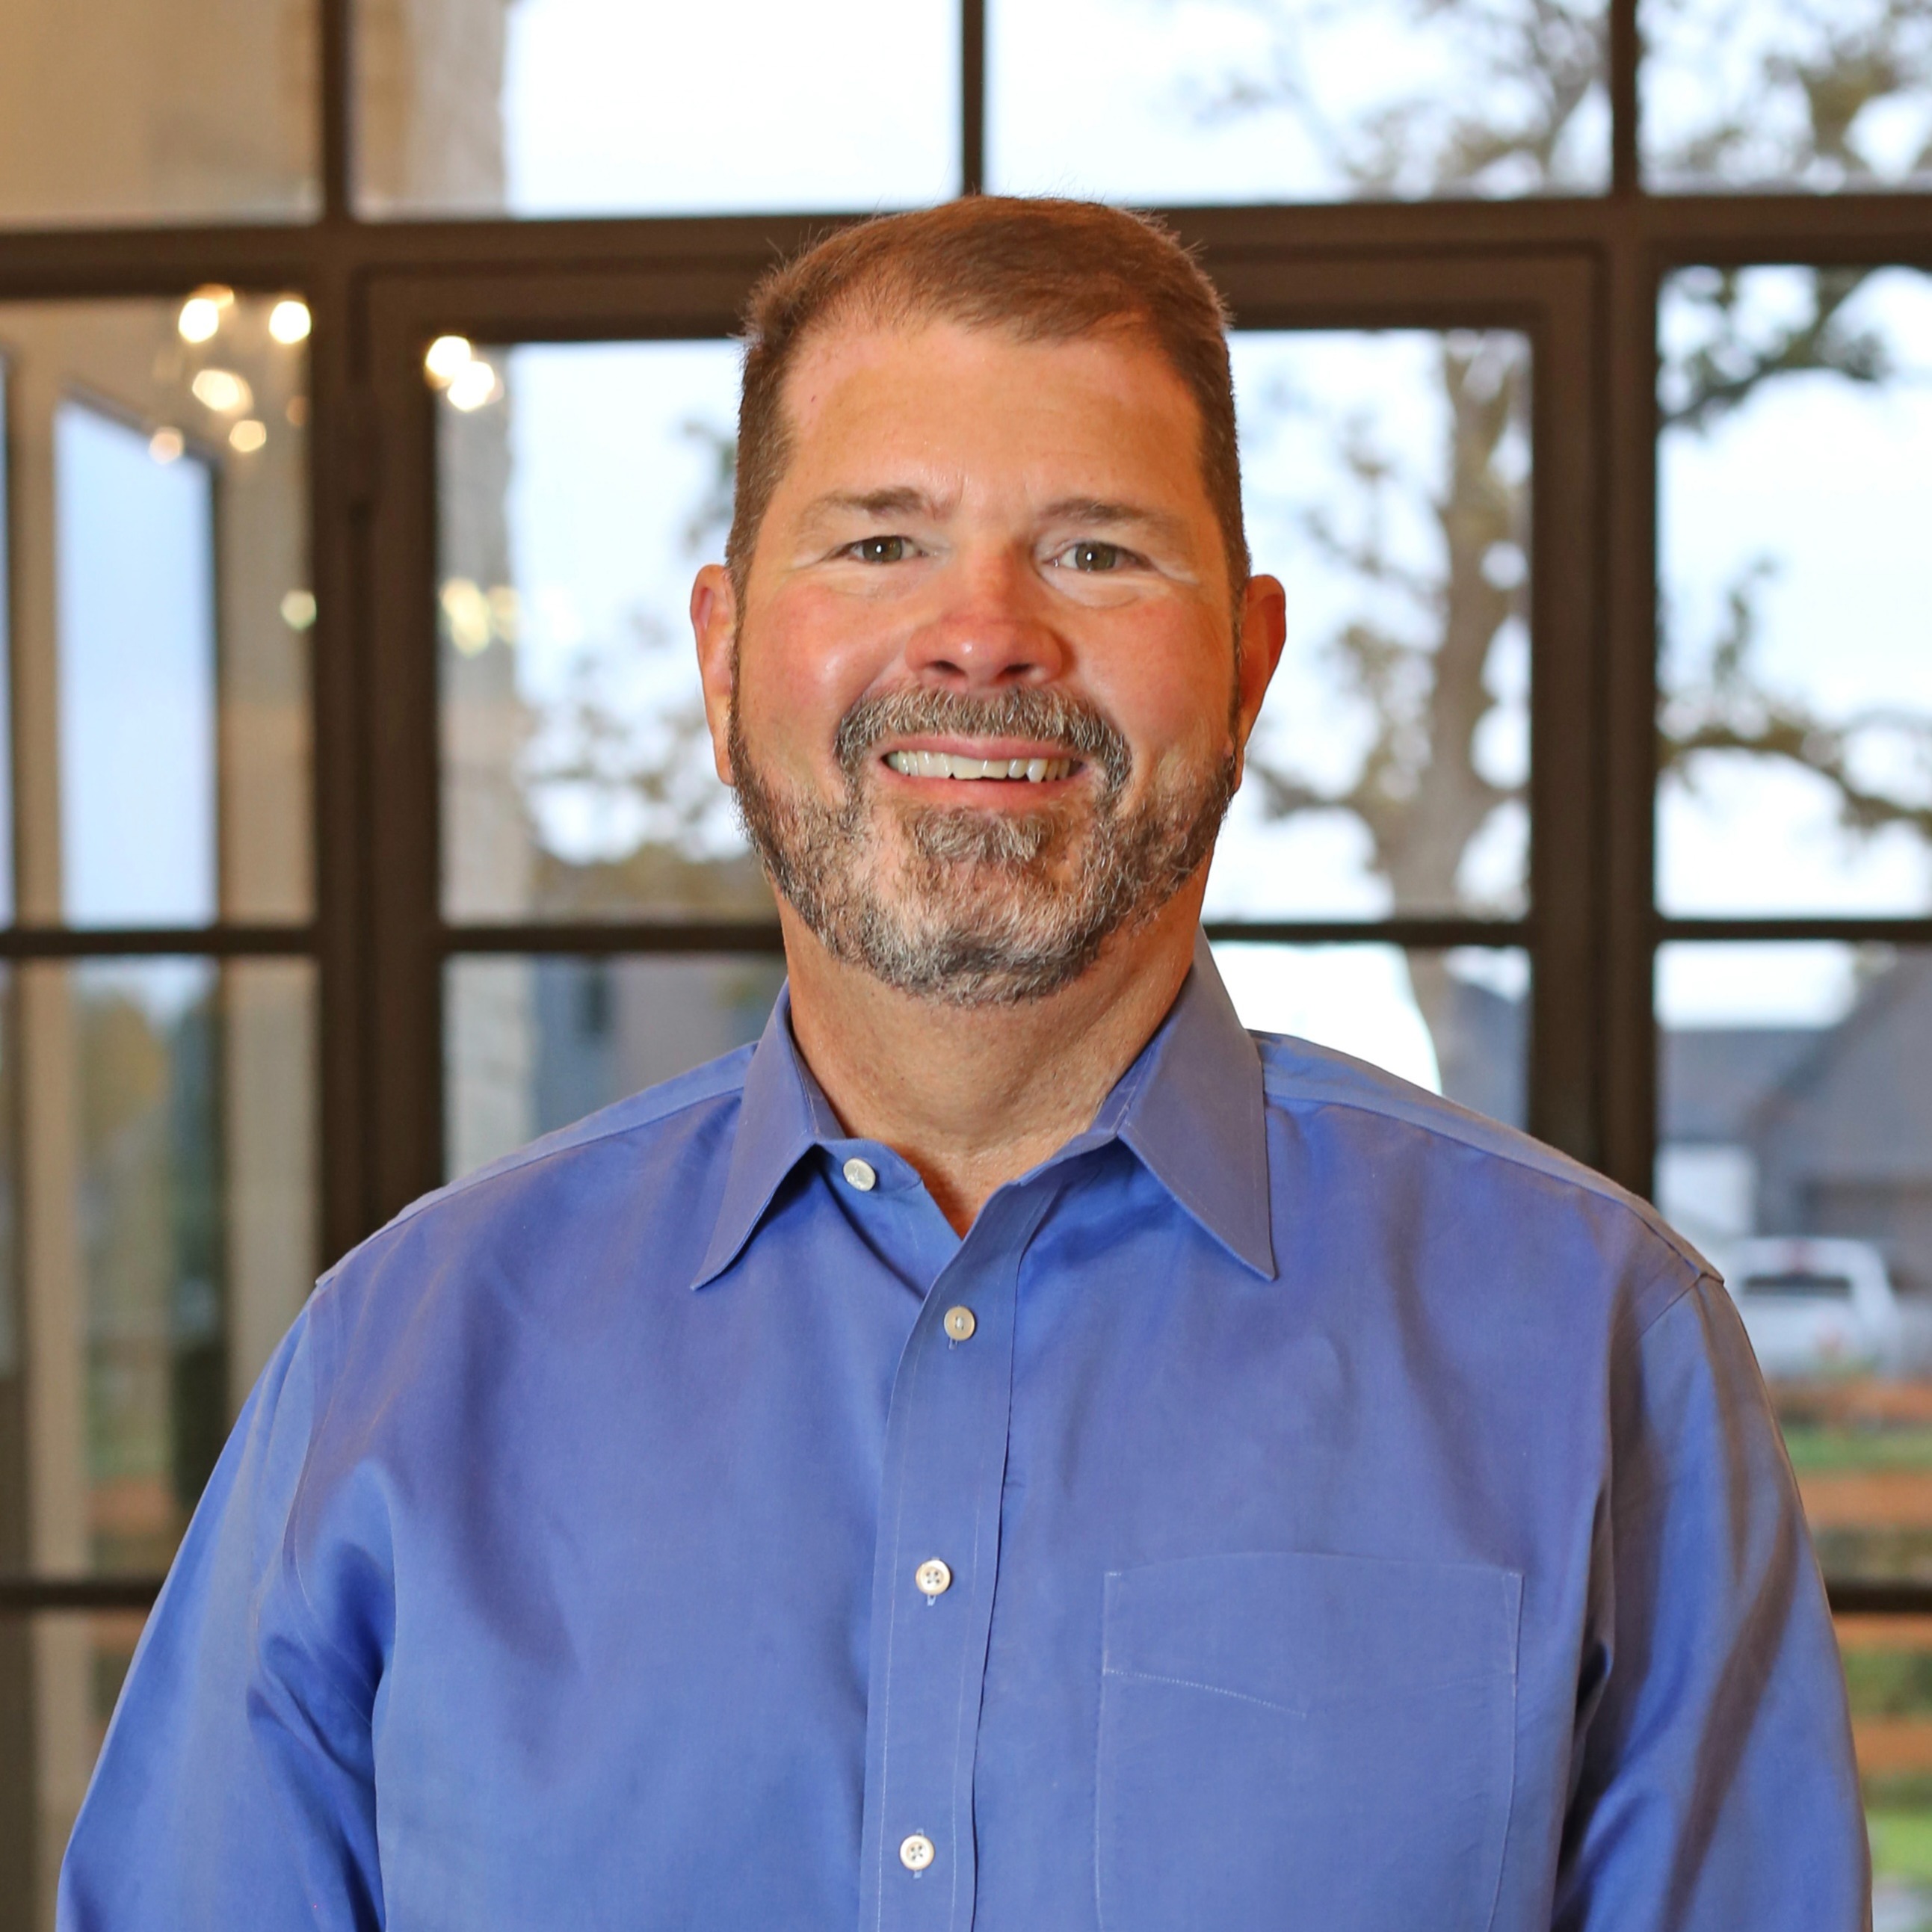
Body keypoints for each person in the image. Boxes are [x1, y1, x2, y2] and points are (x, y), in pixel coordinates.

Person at [61, 197, 1864, 1931]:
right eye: (879, 541)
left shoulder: (1594, 1349)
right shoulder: (397, 1367)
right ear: (720, 657)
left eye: (1095, 548)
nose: (985, 631)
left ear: (1245, 668)